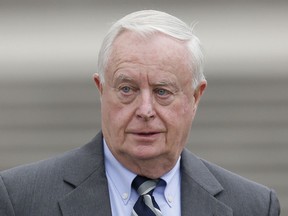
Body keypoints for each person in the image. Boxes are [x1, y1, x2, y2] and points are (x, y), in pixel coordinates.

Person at [0, 10, 280, 216]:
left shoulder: (253, 206)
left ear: (195, 97)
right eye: (127, 89)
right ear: (101, 90)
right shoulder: (21, 199)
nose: (145, 110)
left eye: (162, 92)